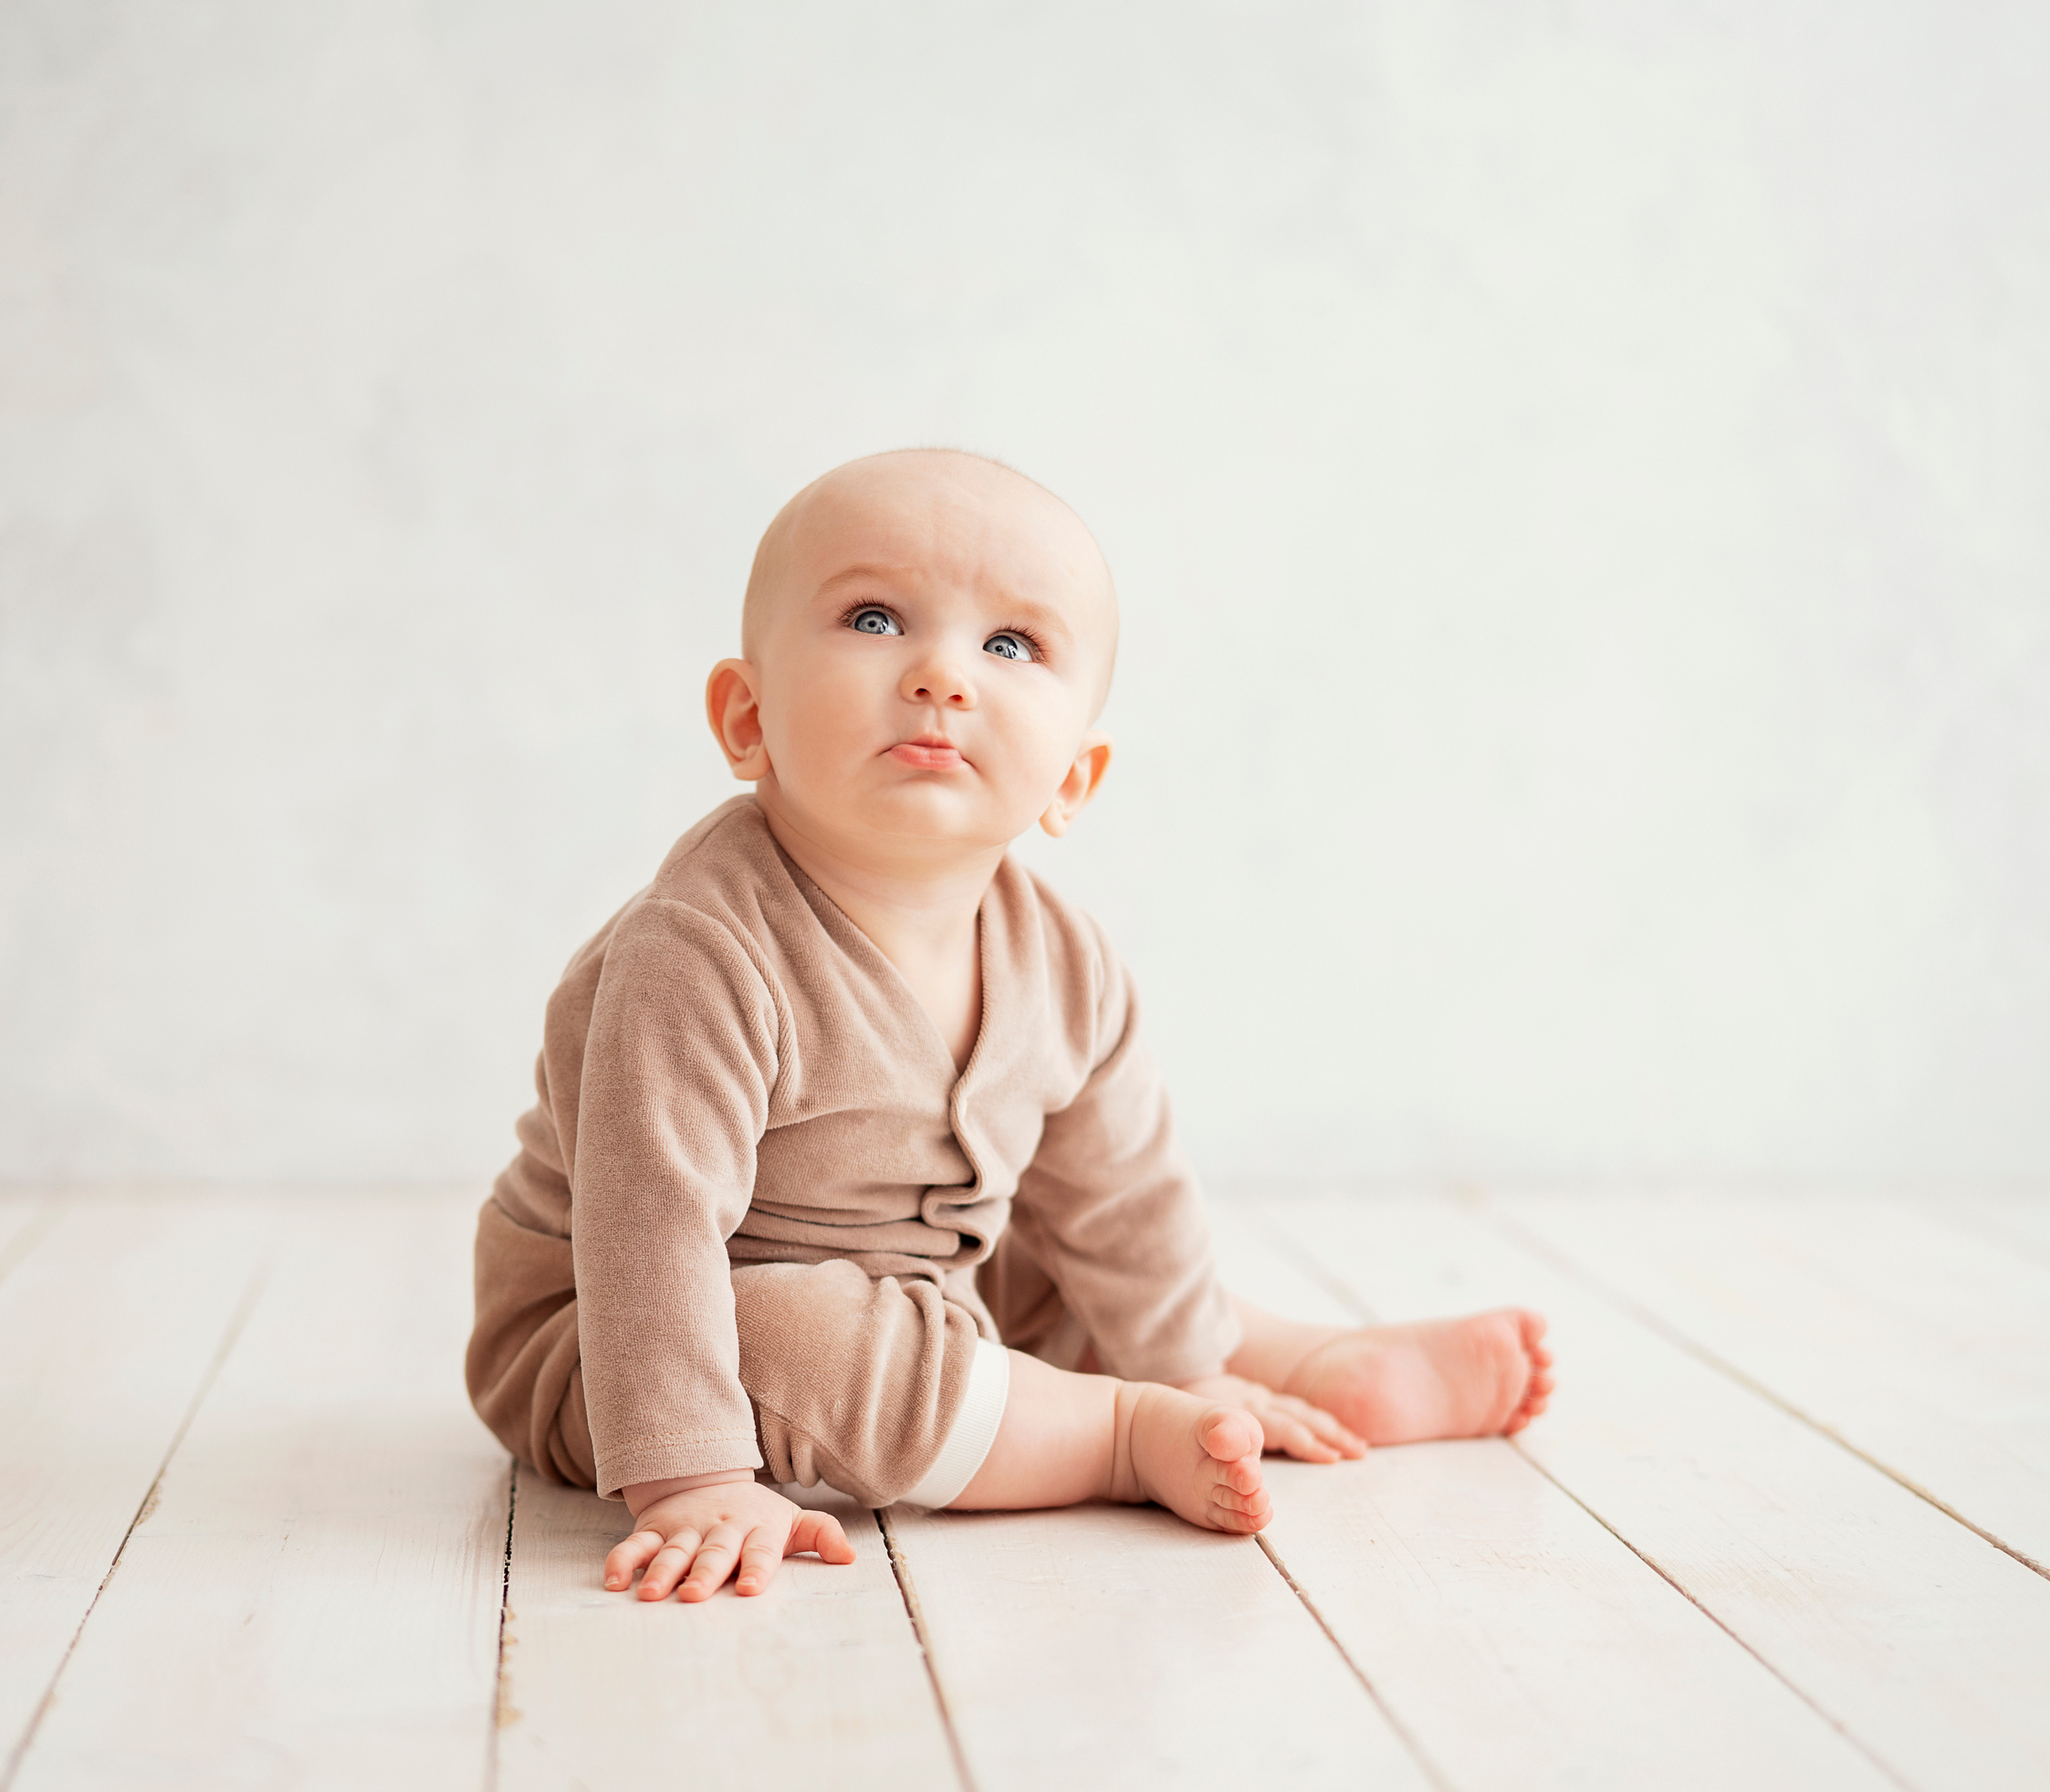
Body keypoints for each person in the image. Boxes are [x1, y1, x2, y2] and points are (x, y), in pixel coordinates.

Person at [466, 449, 1553, 1604]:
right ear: (748, 717)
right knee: (789, 1330)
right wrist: (693, 1478)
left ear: (1072, 779)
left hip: (935, 1288)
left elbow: (1121, 1203)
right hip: (624, 1339)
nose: (942, 676)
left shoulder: (1064, 964)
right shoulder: (699, 950)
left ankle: (1287, 1362)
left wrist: (1188, 1361)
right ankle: (1111, 1435)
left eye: (1010, 645)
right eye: (875, 619)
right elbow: (649, 1229)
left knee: (1071, 1264)